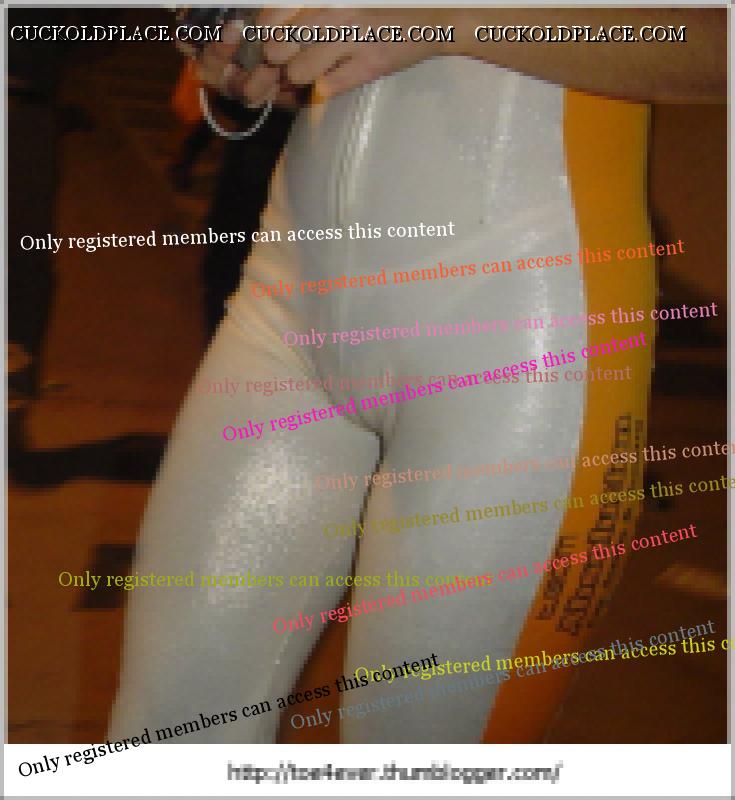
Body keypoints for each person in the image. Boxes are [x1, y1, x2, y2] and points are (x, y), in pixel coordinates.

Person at [108, 7, 725, 744]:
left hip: (517, 328)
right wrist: (267, 54)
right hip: (288, 304)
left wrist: (450, 17)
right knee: (163, 739)